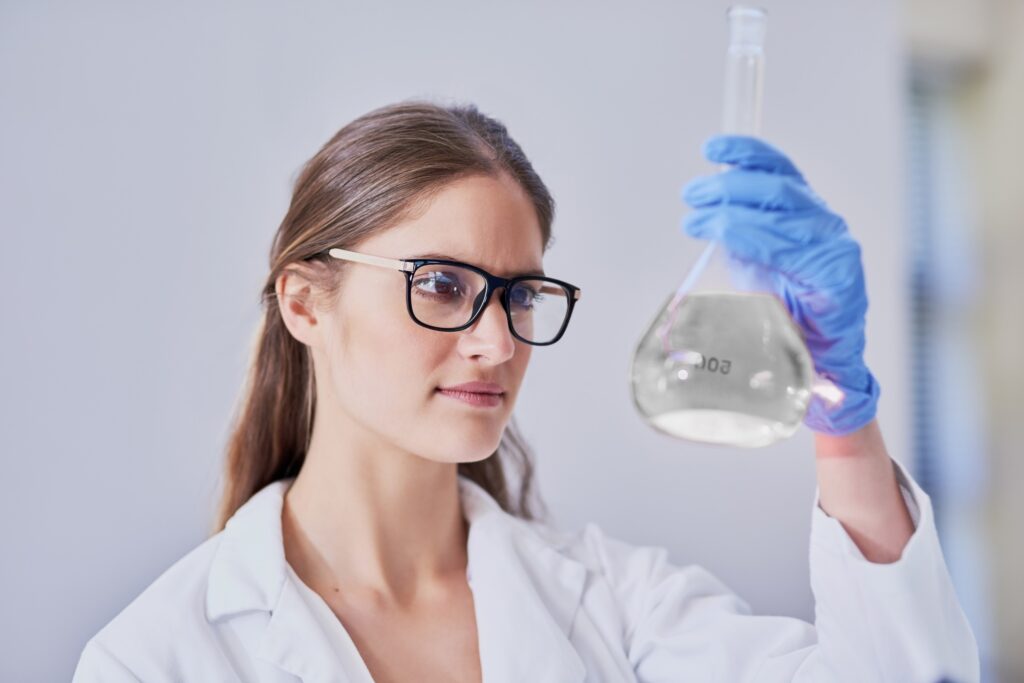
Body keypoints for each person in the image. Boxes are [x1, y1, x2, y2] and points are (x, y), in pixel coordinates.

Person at [72, 100, 979, 683]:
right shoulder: (156, 657)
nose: (498, 340)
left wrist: (842, 410)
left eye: (520, 293)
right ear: (306, 303)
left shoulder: (617, 604)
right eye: (441, 284)